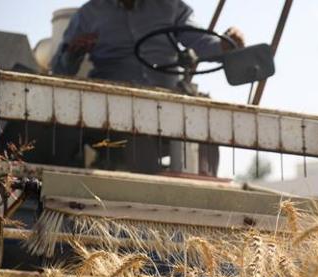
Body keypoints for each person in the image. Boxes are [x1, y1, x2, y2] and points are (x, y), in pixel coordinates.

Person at [49, 0, 244, 173]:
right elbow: (59, 69)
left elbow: (202, 42)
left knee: (207, 122)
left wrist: (227, 45)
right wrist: (73, 53)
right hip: (111, 108)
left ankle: (206, 192)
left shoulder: (171, 6)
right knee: (136, 141)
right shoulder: (89, 13)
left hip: (168, 103)